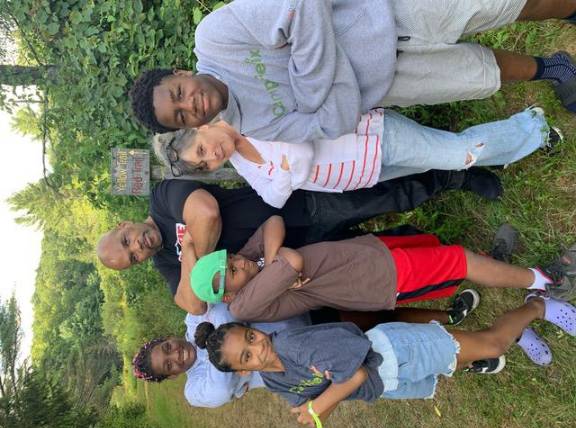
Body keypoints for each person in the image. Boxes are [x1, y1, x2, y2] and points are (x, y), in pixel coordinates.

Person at [129, 0, 576, 141]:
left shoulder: (215, 36)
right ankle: (554, 68)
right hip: (392, 83)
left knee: (495, 5)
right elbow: (334, 123)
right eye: (183, 117)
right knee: (477, 73)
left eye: (179, 94)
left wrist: (313, 86)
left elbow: (299, 4)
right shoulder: (252, 125)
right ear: (196, 126)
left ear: (180, 71)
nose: (192, 105)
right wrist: (317, 57)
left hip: (383, 9)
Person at [96, 171, 501, 314]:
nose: (140, 247)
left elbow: (205, 213)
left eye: (127, 240)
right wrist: (189, 259)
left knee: (386, 196)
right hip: (305, 260)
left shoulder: (162, 197)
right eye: (133, 257)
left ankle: (456, 178)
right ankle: (449, 249)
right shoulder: (166, 260)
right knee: (379, 245)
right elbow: (195, 303)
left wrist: (192, 259)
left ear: (122, 223)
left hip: (298, 209)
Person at [195, 294, 576, 428]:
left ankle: (536, 306)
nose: (258, 347)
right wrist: (310, 410)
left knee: (490, 347)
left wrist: (320, 406)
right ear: (244, 371)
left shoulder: (292, 344)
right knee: (449, 365)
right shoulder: (276, 380)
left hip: (395, 351)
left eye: (250, 336)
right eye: (247, 355)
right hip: (389, 383)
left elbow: (354, 372)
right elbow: (307, 402)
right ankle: (517, 331)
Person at [152, 106, 559, 208]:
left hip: (372, 136)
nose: (213, 158)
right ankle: (517, 139)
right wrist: (291, 172)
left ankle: (533, 128)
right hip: (366, 171)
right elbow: (274, 198)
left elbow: (305, 150)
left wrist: (289, 172)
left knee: (457, 152)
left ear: (202, 127)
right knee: (450, 156)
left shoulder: (250, 114)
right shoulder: (241, 163)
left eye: (203, 150)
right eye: (205, 165)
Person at [190, 216, 575, 323]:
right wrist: (277, 259)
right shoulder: (244, 305)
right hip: (377, 279)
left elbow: (274, 222)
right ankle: (546, 281)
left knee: (445, 256)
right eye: (232, 272)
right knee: (458, 260)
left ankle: (500, 268)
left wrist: (266, 254)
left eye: (231, 259)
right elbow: (293, 262)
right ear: (227, 295)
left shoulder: (249, 264)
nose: (239, 262)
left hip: (368, 254)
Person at [132, 303, 310, 407]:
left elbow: (226, 310)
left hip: (297, 315)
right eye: (169, 365)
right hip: (298, 366)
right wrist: (216, 331)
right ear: (172, 376)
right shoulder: (193, 390)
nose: (175, 354)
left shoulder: (193, 318)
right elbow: (221, 390)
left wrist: (226, 360)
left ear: (168, 338)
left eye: (167, 347)